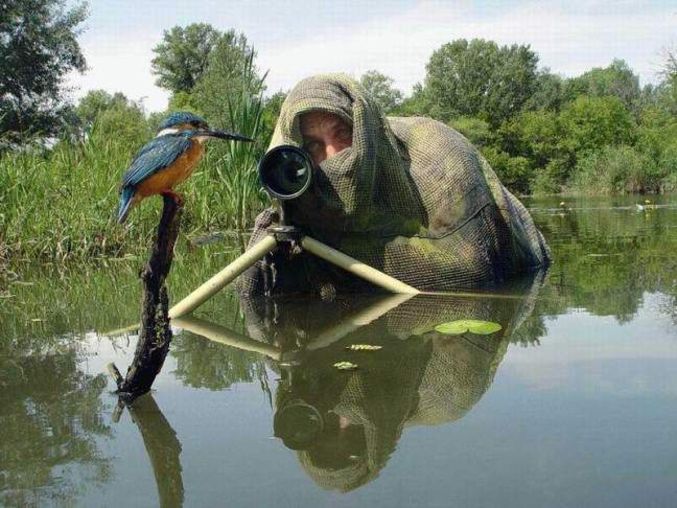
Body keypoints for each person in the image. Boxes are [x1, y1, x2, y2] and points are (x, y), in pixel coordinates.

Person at [239, 74, 550, 296]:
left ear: (364, 132)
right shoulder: (302, 197)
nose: (333, 156)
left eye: (342, 134)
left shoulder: (439, 167)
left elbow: (472, 272)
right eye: (314, 145)